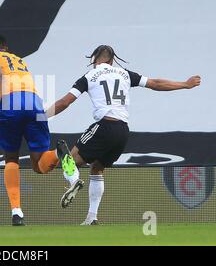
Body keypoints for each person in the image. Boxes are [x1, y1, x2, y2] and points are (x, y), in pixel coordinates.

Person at [46, 45, 201, 225]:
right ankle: (92, 217)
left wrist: (41, 116)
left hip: (104, 126)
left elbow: (65, 102)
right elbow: (156, 84)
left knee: (68, 159)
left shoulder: (89, 76)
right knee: (97, 168)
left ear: (95, 60)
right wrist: (185, 84)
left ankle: (74, 181)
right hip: (122, 131)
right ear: (112, 60)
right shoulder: (125, 74)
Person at [0, 34, 76, 226]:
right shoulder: (18, 59)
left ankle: (16, 212)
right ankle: (58, 152)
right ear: (6, 47)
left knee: (11, 157)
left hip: (10, 102)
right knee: (40, 166)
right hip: (34, 102)